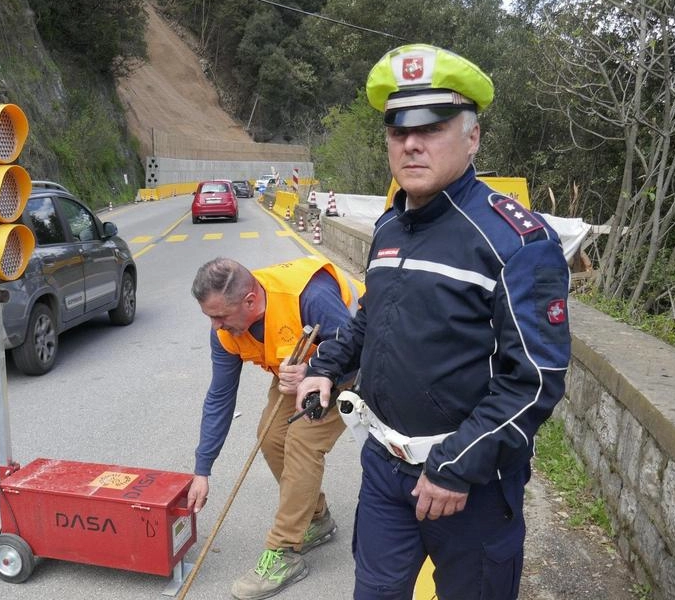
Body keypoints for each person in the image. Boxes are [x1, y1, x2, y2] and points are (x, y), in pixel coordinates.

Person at [295, 43, 571, 600]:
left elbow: (534, 379)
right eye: (398, 131)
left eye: (432, 127)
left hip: (469, 485)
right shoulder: (392, 225)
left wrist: (456, 466)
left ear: (472, 137)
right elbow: (374, 315)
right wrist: (327, 367)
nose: (412, 143)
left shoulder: (516, 242)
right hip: (383, 467)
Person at [187, 256, 361, 600]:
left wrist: (315, 369)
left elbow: (357, 345)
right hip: (298, 374)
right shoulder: (222, 333)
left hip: (352, 369)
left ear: (250, 301)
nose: (216, 326)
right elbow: (220, 397)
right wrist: (202, 469)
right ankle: (316, 518)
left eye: (220, 316)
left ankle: (284, 551)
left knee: (302, 442)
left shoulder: (311, 296)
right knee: (270, 436)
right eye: (210, 316)